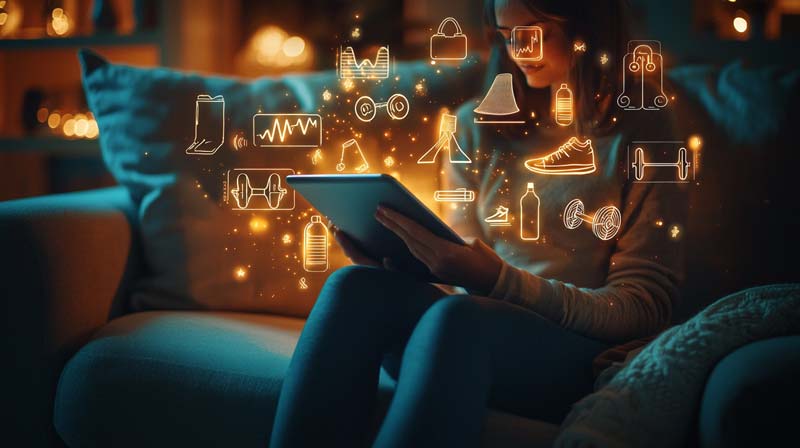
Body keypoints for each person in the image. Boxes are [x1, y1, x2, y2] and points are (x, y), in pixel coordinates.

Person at [270, 0, 686, 446]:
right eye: (507, 35)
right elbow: (458, 274)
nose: (519, 49)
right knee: (352, 287)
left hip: (578, 350)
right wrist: (400, 265)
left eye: (535, 31)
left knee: (459, 318)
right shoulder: (476, 126)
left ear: (587, 24)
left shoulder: (643, 129)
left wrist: (499, 281)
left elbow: (643, 305)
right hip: (469, 324)